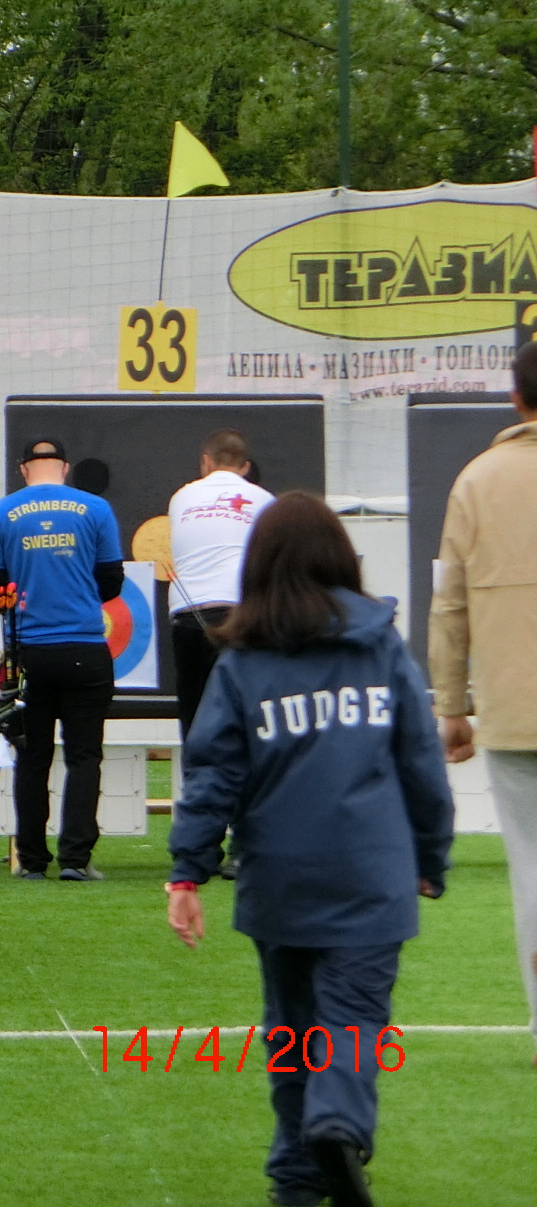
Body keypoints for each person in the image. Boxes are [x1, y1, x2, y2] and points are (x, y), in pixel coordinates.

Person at [168, 492, 454, 1207]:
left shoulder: (242, 663)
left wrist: (188, 872)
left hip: (279, 879)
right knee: (353, 1017)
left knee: (291, 1031)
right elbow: (420, 759)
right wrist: (430, 856)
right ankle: (337, 1125)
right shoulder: (381, 646)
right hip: (371, 873)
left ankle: (297, 1174)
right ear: (341, 559)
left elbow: (213, 774)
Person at [430, 339, 537, 1065]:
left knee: (532, 873)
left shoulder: (476, 479)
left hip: (512, 709)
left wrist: (450, 705)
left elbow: (449, 603)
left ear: (515, 398)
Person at [0, 435, 124, 882]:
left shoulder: (1, 513)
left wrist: (22, 607)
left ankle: (32, 860)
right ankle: (75, 859)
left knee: (32, 756)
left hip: (28, 653)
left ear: (24, 469)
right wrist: (77, 599)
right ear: (65, 467)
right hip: (84, 647)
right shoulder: (96, 509)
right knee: (84, 756)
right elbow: (112, 580)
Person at [168, 427, 275, 738]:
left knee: (194, 719)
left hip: (188, 616)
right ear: (245, 467)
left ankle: (196, 769)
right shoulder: (265, 500)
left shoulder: (182, 497)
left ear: (206, 462)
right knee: (244, 718)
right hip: (240, 616)